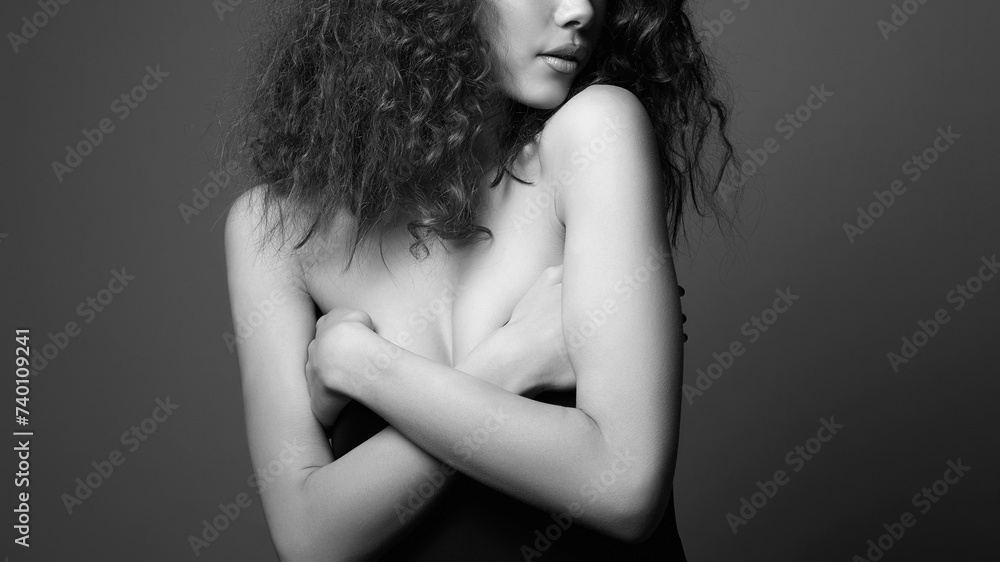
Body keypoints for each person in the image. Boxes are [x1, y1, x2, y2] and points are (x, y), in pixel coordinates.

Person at [223, 0, 735, 559]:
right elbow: (309, 540)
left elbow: (626, 491)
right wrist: (513, 360)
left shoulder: (595, 133)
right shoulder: (274, 230)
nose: (580, 10)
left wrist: (363, 365)